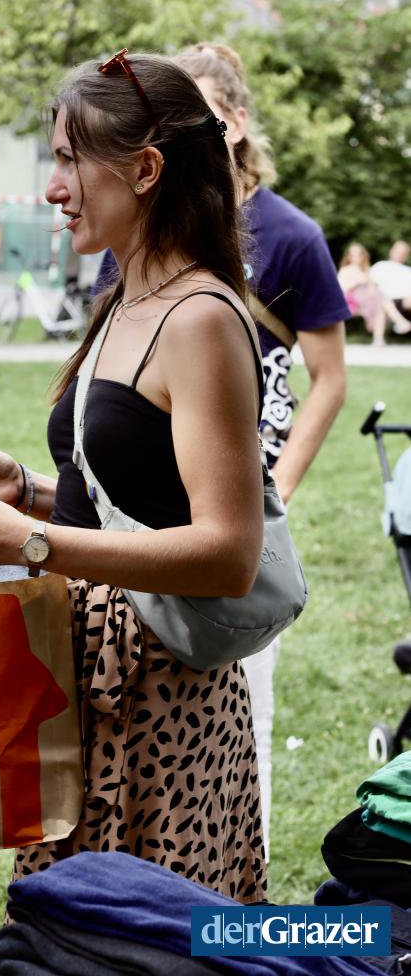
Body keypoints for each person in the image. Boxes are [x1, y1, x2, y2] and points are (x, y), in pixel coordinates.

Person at [0, 50, 267, 901]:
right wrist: (30, 490)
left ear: (145, 170)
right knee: (70, 930)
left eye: (69, 160)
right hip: (89, 682)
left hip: (161, 708)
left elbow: (229, 553)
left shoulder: (199, 318)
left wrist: (31, 542)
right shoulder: (124, 298)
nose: (51, 188)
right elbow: (141, 499)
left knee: (157, 941)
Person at [167, 42, 350, 859]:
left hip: (247, 508)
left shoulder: (292, 236)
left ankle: (242, 891)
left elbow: (328, 380)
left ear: (236, 123)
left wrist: (278, 481)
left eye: (198, 116)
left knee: (247, 710)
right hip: (154, 505)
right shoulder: (152, 227)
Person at [338, 242, 411, 345]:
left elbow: (372, 286)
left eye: (359, 254)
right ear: (348, 256)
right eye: (353, 255)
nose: (357, 257)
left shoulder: (365, 270)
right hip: (353, 300)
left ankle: (379, 340)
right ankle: (400, 322)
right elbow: (341, 290)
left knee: (381, 303)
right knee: (382, 300)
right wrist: (357, 282)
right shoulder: (346, 270)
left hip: (370, 299)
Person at [370, 240, 411, 317]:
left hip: (407, 301)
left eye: (403, 253)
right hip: (388, 300)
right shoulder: (380, 266)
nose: (400, 254)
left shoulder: (408, 270)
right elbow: (371, 285)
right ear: (391, 251)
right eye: (398, 252)